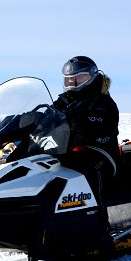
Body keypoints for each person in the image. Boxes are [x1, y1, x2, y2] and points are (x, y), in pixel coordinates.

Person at [52, 56, 120, 200]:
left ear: (93, 76)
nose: (74, 82)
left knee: (87, 168)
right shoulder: (64, 101)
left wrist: (80, 130)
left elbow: (98, 127)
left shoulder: (103, 102)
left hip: (101, 154)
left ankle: (101, 219)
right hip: (66, 152)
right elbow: (48, 115)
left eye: (80, 78)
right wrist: (27, 119)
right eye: (70, 79)